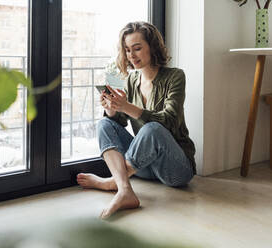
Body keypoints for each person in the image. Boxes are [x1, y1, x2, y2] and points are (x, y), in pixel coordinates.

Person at [77, 21, 196, 219]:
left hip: (175, 170)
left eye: (137, 48)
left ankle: (111, 183)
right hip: (144, 167)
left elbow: (169, 121)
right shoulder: (132, 80)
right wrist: (113, 110)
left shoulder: (175, 76)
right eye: (127, 50)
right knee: (105, 123)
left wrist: (127, 106)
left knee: (153, 129)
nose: (131, 55)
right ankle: (125, 189)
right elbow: (121, 122)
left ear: (153, 46)